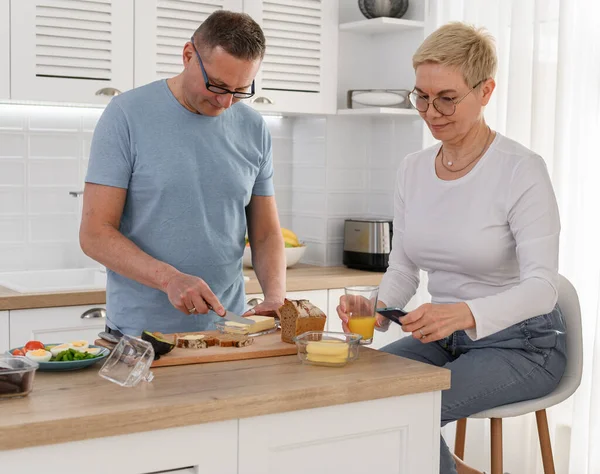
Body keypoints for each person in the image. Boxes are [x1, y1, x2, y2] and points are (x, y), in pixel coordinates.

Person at [337, 22, 566, 474]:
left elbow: (543, 287)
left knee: (411, 408)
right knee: (355, 392)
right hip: (445, 339)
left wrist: (463, 312)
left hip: (523, 346)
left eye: (447, 98)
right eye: (421, 96)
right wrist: (378, 309)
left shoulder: (521, 170)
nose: (431, 110)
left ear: (485, 92)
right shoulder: (413, 169)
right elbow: (403, 268)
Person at [80, 11, 286, 337]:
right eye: (217, 85)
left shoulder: (254, 128)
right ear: (188, 55)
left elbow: (265, 234)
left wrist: (275, 297)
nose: (226, 101)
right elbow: (94, 234)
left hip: (229, 333)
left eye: (240, 89)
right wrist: (169, 278)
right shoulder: (125, 116)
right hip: (140, 337)